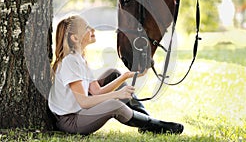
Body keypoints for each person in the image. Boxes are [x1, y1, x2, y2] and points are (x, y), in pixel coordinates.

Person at [48, 15, 184, 135]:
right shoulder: (70, 62)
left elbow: (96, 92)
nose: (92, 29)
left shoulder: (80, 58)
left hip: (78, 114)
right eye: (86, 28)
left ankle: (146, 120)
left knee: (113, 74)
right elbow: (84, 102)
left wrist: (125, 76)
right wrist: (116, 95)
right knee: (115, 105)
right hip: (70, 121)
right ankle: (154, 125)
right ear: (75, 38)